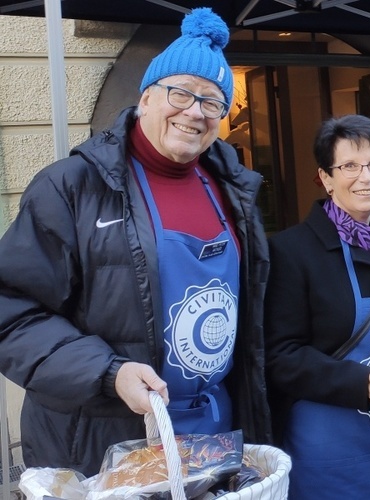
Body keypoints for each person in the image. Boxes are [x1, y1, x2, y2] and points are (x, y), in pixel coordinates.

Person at [0, 8, 270, 476]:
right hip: (106, 442)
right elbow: (11, 313)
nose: (195, 112)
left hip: (212, 432)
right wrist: (109, 372)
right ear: (145, 98)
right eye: (181, 93)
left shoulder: (235, 190)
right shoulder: (72, 187)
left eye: (212, 102)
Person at [264, 114, 370, 498]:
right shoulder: (293, 251)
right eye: (349, 166)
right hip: (326, 446)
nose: (366, 177)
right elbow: (282, 356)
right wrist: (362, 383)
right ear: (326, 178)